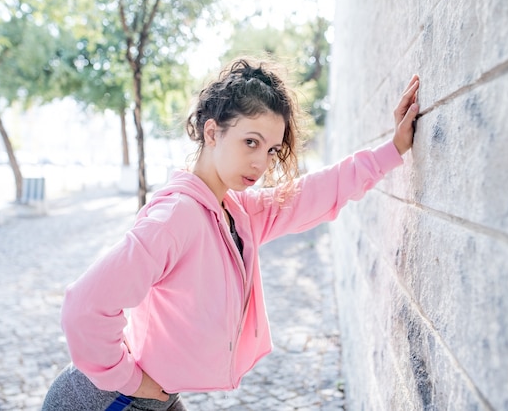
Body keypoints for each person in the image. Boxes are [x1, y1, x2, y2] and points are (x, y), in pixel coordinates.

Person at [42, 57, 420, 411]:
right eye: (250, 142)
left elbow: (311, 195)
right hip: (111, 399)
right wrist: (128, 378)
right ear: (212, 132)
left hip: (154, 396)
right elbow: (84, 308)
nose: (261, 161)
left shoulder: (237, 214)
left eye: (271, 149)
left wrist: (393, 149)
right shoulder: (177, 217)